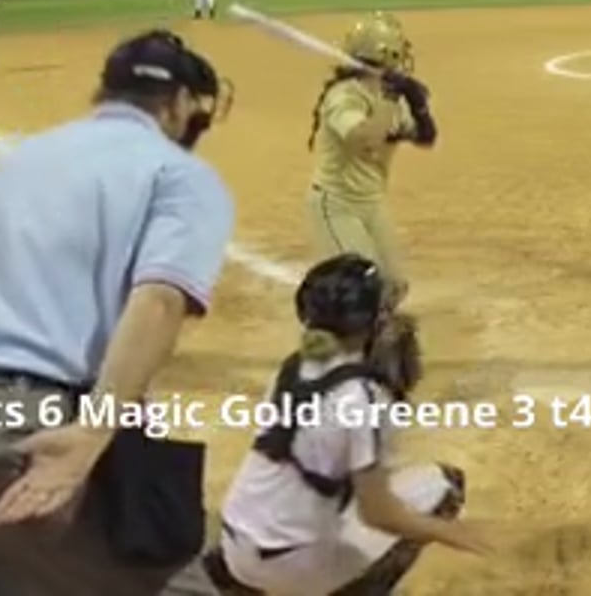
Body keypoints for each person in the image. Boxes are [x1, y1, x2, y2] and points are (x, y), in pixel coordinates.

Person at [0, 30, 236, 593]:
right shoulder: (179, 175)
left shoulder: (1, 164)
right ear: (180, 102)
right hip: (19, 429)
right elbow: (159, 301)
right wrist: (94, 429)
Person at [202, 254, 487, 594]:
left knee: (314, 483)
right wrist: (447, 532)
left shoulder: (293, 368)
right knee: (443, 485)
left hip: (234, 548)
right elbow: (380, 515)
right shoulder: (365, 399)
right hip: (293, 568)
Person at [306, 14, 437, 303]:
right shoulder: (344, 96)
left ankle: (374, 325)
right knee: (364, 285)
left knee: (395, 287)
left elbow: (426, 138)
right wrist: (391, 97)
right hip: (337, 204)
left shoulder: (392, 97)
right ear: (387, 55)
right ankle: (324, 321)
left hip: (371, 202)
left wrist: (419, 106)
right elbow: (366, 141)